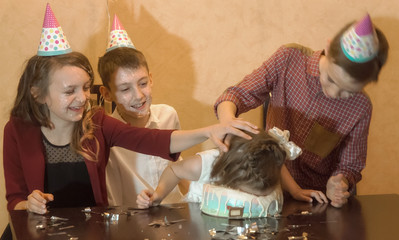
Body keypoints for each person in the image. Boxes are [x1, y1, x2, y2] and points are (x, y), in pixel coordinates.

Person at [3, 4, 257, 215]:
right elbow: (15, 200)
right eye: (70, 91)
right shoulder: (16, 130)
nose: (82, 99)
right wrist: (30, 204)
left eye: (85, 88)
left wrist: (209, 130)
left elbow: (153, 140)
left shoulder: (97, 122)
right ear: (38, 93)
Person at [214, 14, 389, 208]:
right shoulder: (289, 59)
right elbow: (236, 95)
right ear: (329, 48)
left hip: (313, 199)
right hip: (267, 189)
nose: (333, 93)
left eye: (348, 91)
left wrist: (339, 183)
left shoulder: (360, 107)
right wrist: (227, 120)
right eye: (330, 79)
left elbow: (350, 166)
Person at [97, 15, 183, 206]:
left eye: (143, 83)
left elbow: (180, 166)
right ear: (107, 94)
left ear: (151, 79)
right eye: (125, 89)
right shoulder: (107, 138)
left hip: (176, 215)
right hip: (134, 222)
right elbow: (111, 200)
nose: (138, 96)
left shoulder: (168, 115)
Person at [136, 130, 328, 214]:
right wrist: (159, 195)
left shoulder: (267, 162)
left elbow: (278, 163)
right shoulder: (204, 165)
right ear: (230, 175)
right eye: (250, 193)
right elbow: (173, 170)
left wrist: (295, 190)